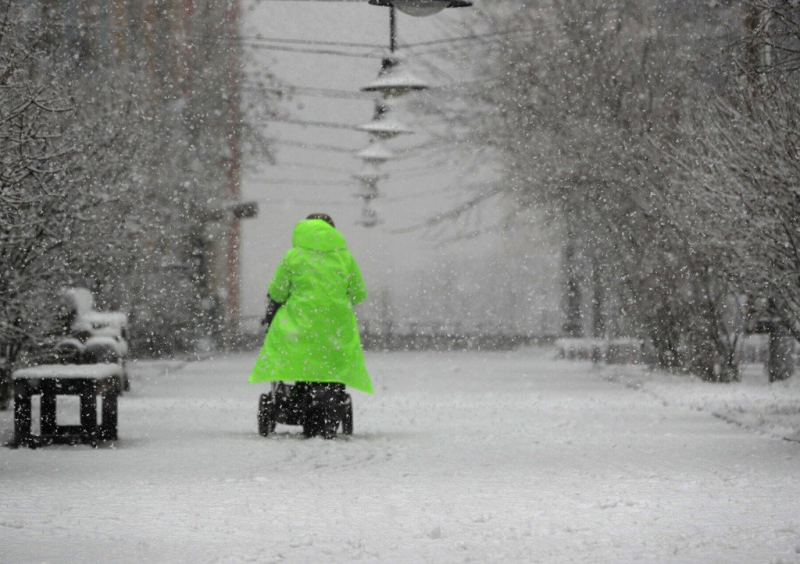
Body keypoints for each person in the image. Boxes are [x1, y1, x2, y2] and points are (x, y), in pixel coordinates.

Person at [249, 214, 373, 395]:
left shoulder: (293, 256)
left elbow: (277, 293)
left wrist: (272, 314)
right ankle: (331, 394)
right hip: (335, 330)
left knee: (296, 355)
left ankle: (294, 395)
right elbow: (358, 294)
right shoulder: (345, 258)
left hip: (298, 328)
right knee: (332, 362)